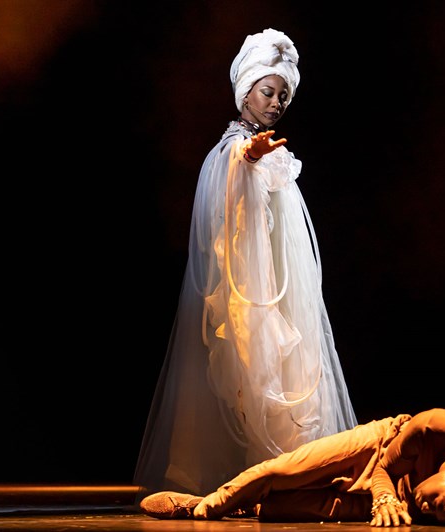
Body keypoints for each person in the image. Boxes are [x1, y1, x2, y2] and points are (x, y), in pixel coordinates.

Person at [134, 28, 358, 499]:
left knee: (281, 368)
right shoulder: (232, 151)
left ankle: (284, 472)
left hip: (274, 286)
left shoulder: (268, 149)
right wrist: (247, 161)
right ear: (246, 91)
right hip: (247, 291)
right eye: (267, 92)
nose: (276, 103)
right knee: (243, 367)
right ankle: (246, 471)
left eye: (283, 95)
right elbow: (224, 211)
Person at [139, 408, 445, 526]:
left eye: (436, 516)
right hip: (378, 450)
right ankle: (211, 503)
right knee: (283, 473)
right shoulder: (437, 426)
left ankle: (246, 506)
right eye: (436, 503)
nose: (429, 510)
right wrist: (384, 496)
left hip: (396, 498)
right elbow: (382, 470)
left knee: (295, 509)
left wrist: (401, 505)